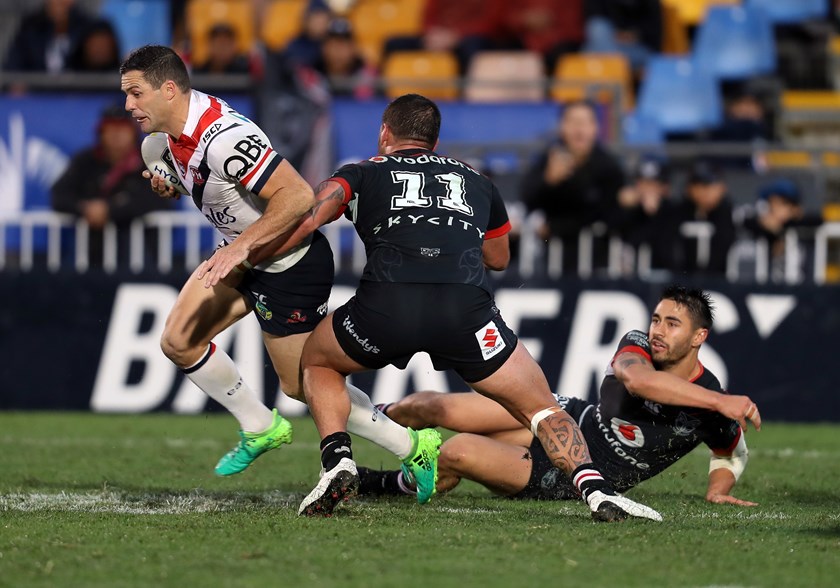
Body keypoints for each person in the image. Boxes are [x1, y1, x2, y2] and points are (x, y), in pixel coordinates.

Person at [227, 93, 662, 521]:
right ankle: (596, 489)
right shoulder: (477, 180)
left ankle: (337, 460)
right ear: (434, 141)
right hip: (465, 314)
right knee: (543, 407)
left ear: (384, 133)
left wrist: (245, 253)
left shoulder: (361, 171)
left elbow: (306, 217)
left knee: (317, 362)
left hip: (386, 306)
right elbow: (499, 258)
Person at [118, 46, 441, 499]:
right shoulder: (161, 141)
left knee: (304, 387)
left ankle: (414, 446)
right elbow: (202, 180)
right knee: (178, 341)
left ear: (169, 90)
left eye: (136, 93)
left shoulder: (224, 138)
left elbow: (298, 196)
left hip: (290, 263)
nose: (128, 105)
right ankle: (259, 426)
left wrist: (242, 248)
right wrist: (173, 186)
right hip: (243, 256)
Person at [360, 286, 761, 509]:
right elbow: (638, 381)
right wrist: (720, 401)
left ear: (699, 337)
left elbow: (730, 452)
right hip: (564, 417)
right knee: (434, 405)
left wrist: (718, 489)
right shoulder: (638, 346)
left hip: (578, 473)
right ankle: (360, 416)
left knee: (456, 452)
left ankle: (379, 484)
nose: (657, 330)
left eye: (672, 324)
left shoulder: (710, 406)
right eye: (657, 319)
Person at [51, 104, 174, 267]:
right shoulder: (86, 161)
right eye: (110, 128)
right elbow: (59, 194)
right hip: (90, 251)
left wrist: (110, 210)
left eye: (123, 129)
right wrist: (85, 208)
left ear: (134, 132)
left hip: (138, 253)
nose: (116, 135)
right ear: (100, 132)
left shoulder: (150, 162)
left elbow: (161, 199)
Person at [520, 100, 626, 273]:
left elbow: (602, 212)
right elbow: (527, 198)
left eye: (584, 122)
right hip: (551, 261)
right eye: (573, 122)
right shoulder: (549, 159)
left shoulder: (608, 167)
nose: (579, 130)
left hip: (596, 260)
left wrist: (556, 227)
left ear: (595, 128)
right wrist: (548, 180)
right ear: (562, 127)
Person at [612, 156, 679, 273]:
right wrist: (622, 206)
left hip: (664, 275)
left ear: (664, 187)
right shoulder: (629, 209)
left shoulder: (672, 211)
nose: (646, 189)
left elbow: (665, 251)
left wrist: (654, 215)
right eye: (642, 183)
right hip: (629, 274)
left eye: (652, 184)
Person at [671, 160, 736, 276]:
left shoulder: (731, 214)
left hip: (722, 281)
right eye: (698, 185)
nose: (704, 192)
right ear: (689, 188)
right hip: (682, 280)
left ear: (722, 187)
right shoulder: (677, 213)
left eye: (709, 185)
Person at [3, 0, 94, 73]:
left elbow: (95, 69)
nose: (59, 2)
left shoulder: (87, 28)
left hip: (77, 89)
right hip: (36, 88)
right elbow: (13, 65)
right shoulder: (31, 26)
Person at [312, 17, 378, 99]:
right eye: (334, 45)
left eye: (343, 46)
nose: (338, 52)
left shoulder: (367, 75)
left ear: (353, 48)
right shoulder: (313, 73)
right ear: (324, 48)